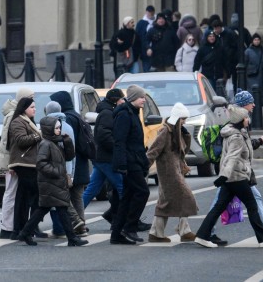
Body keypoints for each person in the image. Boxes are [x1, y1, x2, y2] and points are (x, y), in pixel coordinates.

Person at [194, 105, 263, 248]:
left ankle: (203, 235)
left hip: (230, 178)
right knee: (252, 206)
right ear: (241, 120)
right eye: (246, 117)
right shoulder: (237, 137)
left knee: (218, 207)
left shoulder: (235, 133)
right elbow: (232, 158)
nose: (248, 119)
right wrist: (224, 176)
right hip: (237, 177)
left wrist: (224, 177)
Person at [16, 116, 88, 247]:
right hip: (50, 182)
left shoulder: (56, 142)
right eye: (57, 128)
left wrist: (68, 142)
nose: (59, 130)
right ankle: (72, 238)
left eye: (60, 128)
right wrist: (57, 172)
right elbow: (41, 164)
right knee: (62, 208)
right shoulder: (46, 144)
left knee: (44, 209)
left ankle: (25, 233)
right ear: (49, 129)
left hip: (54, 182)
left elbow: (70, 156)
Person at [146, 103, 198, 242]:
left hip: (176, 170)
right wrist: (144, 168)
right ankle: (184, 230)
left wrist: (185, 134)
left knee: (166, 202)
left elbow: (183, 151)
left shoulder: (177, 132)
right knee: (185, 198)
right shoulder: (166, 132)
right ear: (176, 118)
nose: (184, 122)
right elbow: (153, 150)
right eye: (183, 119)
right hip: (168, 172)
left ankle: (156, 233)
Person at [110, 85, 150, 245]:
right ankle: (130, 227)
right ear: (133, 98)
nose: (144, 100)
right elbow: (120, 141)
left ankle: (116, 234)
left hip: (135, 160)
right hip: (129, 162)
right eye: (142, 97)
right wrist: (122, 165)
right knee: (142, 192)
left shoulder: (133, 112)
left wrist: (144, 161)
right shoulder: (125, 115)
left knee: (127, 197)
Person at [50, 90, 93, 236]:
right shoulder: (77, 116)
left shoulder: (66, 119)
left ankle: (72, 225)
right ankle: (81, 226)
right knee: (77, 197)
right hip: (81, 164)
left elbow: (67, 143)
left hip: (71, 164)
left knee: (63, 196)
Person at [81, 89, 124, 223]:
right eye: (122, 99)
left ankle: (74, 217)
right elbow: (104, 136)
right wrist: (117, 149)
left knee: (92, 189)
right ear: (116, 100)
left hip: (101, 158)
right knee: (123, 187)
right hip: (106, 158)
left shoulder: (108, 112)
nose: (123, 101)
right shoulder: (107, 113)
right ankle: (128, 218)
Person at [0, 86, 34, 239]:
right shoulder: (13, 115)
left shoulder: (17, 113)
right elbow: (8, 141)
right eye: (31, 97)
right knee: (11, 193)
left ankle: (16, 225)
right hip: (13, 162)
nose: (33, 100)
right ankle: (7, 227)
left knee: (17, 194)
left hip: (17, 161)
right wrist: (11, 163)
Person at [7, 97, 41, 239]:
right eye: (32, 107)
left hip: (29, 163)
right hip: (24, 163)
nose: (34, 109)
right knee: (35, 195)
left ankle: (20, 229)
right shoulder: (17, 122)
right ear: (24, 108)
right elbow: (21, 141)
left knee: (23, 197)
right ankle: (27, 228)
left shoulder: (27, 121)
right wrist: (39, 136)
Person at [244, 33, 263, 105]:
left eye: (258, 40)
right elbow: (245, 64)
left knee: (260, 94)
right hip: (251, 76)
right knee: (252, 93)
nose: (256, 41)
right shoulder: (248, 52)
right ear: (252, 41)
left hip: (262, 76)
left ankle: (258, 111)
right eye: (255, 40)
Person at [135, 5, 156, 72]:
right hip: (144, 50)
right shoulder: (141, 23)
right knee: (146, 68)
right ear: (146, 12)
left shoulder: (156, 22)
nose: (150, 14)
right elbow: (138, 37)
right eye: (149, 13)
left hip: (155, 49)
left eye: (152, 13)